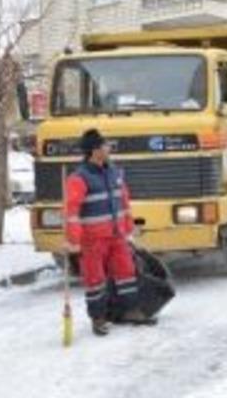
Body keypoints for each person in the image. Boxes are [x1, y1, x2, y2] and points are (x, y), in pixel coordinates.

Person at [63, 129, 157, 336]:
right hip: (92, 240)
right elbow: (71, 212)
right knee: (94, 279)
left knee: (126, 273)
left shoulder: (114, 172)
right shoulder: (79, 178)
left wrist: (129, 228)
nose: (109, 149)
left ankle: (130, 311)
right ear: (95, 151)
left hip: (117, 236)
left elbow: (123, 202)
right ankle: (98, 318)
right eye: (105, 145)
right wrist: (73, 240)